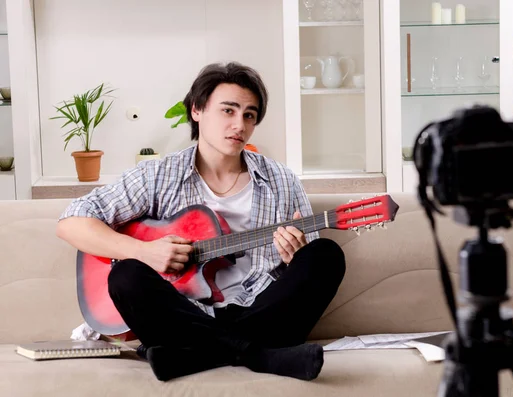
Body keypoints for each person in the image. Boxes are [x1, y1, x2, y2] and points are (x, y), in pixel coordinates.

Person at [56, 61, 346, 382]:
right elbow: (72, 221)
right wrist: (143, 251)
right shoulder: (158, 175)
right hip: (183, 312)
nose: (240, 124)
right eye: (228, 110)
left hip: (259, 311)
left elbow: (304, 270)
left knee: (325, 255)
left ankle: (197, 355)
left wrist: (295, 256)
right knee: (125, 274)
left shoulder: (282, 180)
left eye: (249, 115)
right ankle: (256, 354)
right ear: (197, 110)